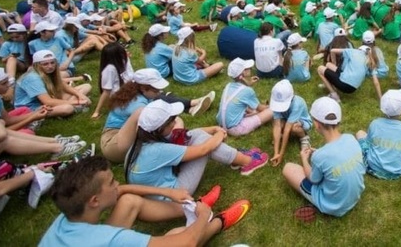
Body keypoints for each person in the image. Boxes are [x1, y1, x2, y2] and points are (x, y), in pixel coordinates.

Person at [39, 156, 251, 247]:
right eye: (112, 182)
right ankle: (218, 221)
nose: (117, 185)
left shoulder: (67, 215)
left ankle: (191, 206)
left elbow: (123, 191)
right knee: (176, 236)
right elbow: (187, 243)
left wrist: (167, 192)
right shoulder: (112, 239)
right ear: (94, 200)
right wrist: (203, 217)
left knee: (129, 201)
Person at [125, 100, 268, 195]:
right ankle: (247, 162)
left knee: (198, 137)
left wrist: (212, 129)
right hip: (175, 193)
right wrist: (219, 133)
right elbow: (204, 149)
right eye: (171, 121)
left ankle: (236, 157)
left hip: (157, 189)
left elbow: (184, 135)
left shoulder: (143, 140)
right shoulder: (158, 150)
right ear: (160, 128)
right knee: (204, 142)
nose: (175, 123)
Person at [100, 68, 213, 163]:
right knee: (170, 127)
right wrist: (177, 127)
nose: (159, 92)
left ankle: (182, 139)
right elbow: (157, 129)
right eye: (156, 91)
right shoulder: (138, 105)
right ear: (144, 88)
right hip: (115, 144)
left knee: (171, 122)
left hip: (117, 137)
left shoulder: (135, 92)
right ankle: (181, 145)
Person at [282, 96, 366, 217]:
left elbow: (313, 179)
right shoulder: (351, 138)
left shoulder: (320, 155)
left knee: (288, 168)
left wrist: (305, 159)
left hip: (333, 206)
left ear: (316, 124)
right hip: (354, 198)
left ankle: (320, 203)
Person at [13, 50, 91, 120]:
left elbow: (65, 86)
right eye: (45, 64)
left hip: (46, 100)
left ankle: (74, 106)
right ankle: (74, 107)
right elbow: (47, 101)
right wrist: (78, 102)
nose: (50, 66)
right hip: (32, 108)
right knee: (67, 108)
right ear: (37, 65)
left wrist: (80, 95)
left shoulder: (50, 72)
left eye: (52, 63)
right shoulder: (33, 77)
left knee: (87, 86)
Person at [355, 89, 401, 180]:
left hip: (373, 168)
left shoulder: (375, 124)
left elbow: (369, 143)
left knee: (360, 133)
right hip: (397, 171)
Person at [216, 58, 273, 137]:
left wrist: (248, 83)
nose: (250, 69)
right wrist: (270, 106)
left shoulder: (228, 86)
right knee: (271, 111)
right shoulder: (248, 91)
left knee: (248, 107)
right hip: (235, 129)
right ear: (243, 72)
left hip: (221, 124)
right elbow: (261, 109)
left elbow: (241, 93)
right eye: (247, 68)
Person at [269, 80, 312, 167]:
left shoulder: (297, 104)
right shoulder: (276, 102)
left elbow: (287, 129)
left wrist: (281, 154)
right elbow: (277, 126)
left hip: (302, 122)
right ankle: (284, 137)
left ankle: (304, 138)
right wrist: (276, 153)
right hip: (288, 120)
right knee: (277, 123)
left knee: (294, 128)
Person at [92, 42, 134, 120]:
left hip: (127, 92)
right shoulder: (110, 69)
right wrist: (96, 111)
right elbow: (106, 91)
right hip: (120, 99)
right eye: (121, 52)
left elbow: (131, 76)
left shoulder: (122, 61)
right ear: (116, 56)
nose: (124, 52)